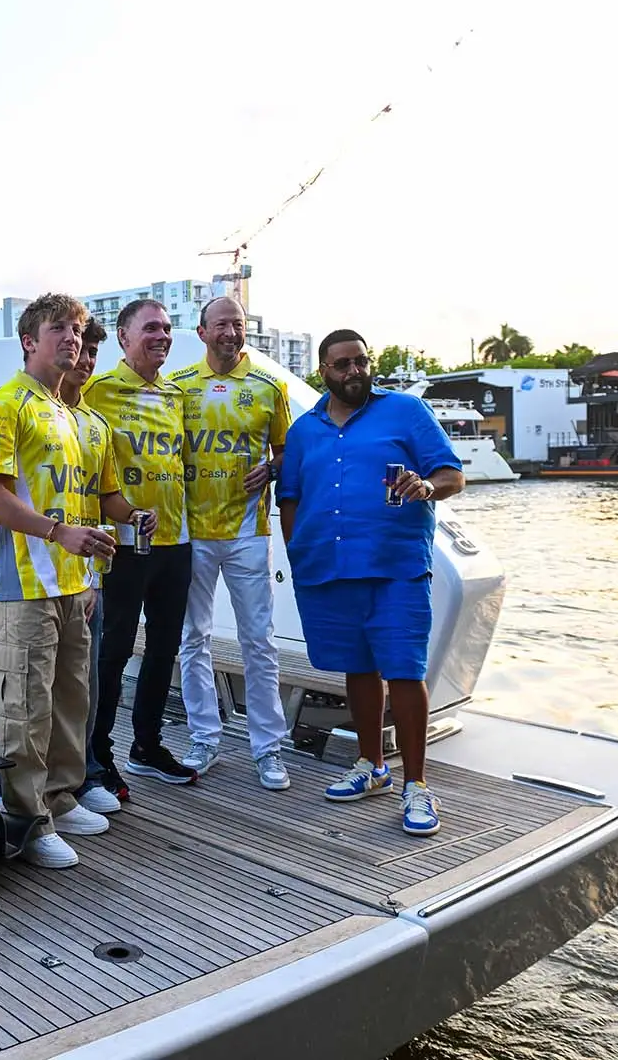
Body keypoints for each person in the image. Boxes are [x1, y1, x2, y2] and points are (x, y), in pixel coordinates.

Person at [276, 330, 465, 836]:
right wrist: (297, 551)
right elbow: (289, 497)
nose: (355, 372)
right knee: (356, 668)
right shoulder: (303, 431)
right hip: (331, 567)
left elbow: (452, 475)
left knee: (404, 670)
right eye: (343, 365)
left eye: (361, 362)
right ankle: (372, 766)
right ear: (324, 372)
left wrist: (426, 486)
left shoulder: (405, 411)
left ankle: (417, 786)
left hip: (396, 565)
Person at [0, 293, 118, 869]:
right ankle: (28, 819)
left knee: (68, 701)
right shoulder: (6, 405)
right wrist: (59, 535)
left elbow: (86, 499)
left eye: (78, 330)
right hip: (22, 586)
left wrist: (90, 564)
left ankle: (60, 796)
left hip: (72, 583)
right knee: (24, 708)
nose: (73, 339)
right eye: (59, 328)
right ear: (29, 340)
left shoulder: (72, 416)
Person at [170, 297, 293, 789]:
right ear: (201, 332)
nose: (230, 332)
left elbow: (285, 453)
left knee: (258, 642)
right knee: (192, 638)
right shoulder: (177, 388)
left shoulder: (271, 387)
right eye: (221, 324)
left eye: (238, 324)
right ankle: (205, 738)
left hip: (248, 532)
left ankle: (269, 749)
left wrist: (273, 468)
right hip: (191, 531)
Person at [81, 299, 196, 792]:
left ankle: (146, 745)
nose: (162, 336)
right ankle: (97, 752)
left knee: (164, 648)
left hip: (176, 540)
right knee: (115, 650)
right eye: (151, 328)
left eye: (168, 329)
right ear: (124, 338)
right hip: (123, 543)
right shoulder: (97, 390)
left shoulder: (176, 394)